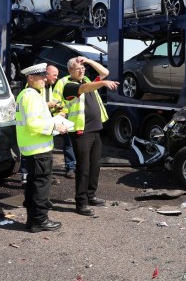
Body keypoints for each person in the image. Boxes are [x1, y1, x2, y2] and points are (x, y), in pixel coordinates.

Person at [60, 56, 119, 216]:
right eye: (78, 68)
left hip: (95, 129)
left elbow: (105, 72)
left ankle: (91, 195)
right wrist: (103, 83)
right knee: (83, 167)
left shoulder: (85, 78)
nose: (82, 70)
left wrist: (88, 61)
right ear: (70, 70)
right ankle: (81, 203)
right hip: (81, 131)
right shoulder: (68, 84)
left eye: (83, 68)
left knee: (95, 166)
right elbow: (84, 89)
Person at [16, 63, 68, 233]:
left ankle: (33, 220)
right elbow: (33, 124)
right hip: (39, 150)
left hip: (30, 149)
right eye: (41, 76)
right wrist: (56, 127)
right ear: (31, 78)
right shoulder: (32, 96)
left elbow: (33, 118)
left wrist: (48, 108)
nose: (45, 79)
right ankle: (40, 221)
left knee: (32, 185)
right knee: (41, 187)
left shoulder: (26, 94)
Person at [45, 65, 76, 178]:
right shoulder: (62, 82)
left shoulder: (84, 81)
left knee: (72, 144)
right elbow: (56, 100)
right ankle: (69, 167)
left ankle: (72, 167)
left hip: (75, 119)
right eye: (54, 75)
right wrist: (59, 112)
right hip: (61, 118)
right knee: (67, 144)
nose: (56, 77)